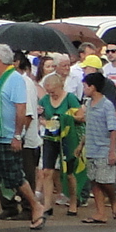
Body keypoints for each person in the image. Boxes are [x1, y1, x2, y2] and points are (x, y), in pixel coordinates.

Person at [0, 45, 40, 232]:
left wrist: (17, 135)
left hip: (6, 136)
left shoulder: (14, 80)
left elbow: (21, 109)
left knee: (14, 176)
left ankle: (36, 205)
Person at [36, 71, 84, 219]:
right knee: (47, 171)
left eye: (54, 92)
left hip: (68, 137)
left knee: (69, 173)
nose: (52, 95)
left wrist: (66, 118)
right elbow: (41, 117)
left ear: (60, 87)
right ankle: (47, 204)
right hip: (51, 137)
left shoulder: (70, 98)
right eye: (49, 93)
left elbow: (81, 116)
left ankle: (74, 201)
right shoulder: (45, 100)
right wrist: (44, 120)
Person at [80, 71, 116, 223]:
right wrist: (81, 144)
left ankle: (114, 200)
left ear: (93, 87)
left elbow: (113, 129)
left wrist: (112, 151)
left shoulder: (107, 105)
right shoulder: (89, 104)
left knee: (105, 181)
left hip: (103, 148)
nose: (84, 89)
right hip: (91, 148)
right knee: (94, 181)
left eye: (85, 86)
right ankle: (100, 213)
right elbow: (88, 126)